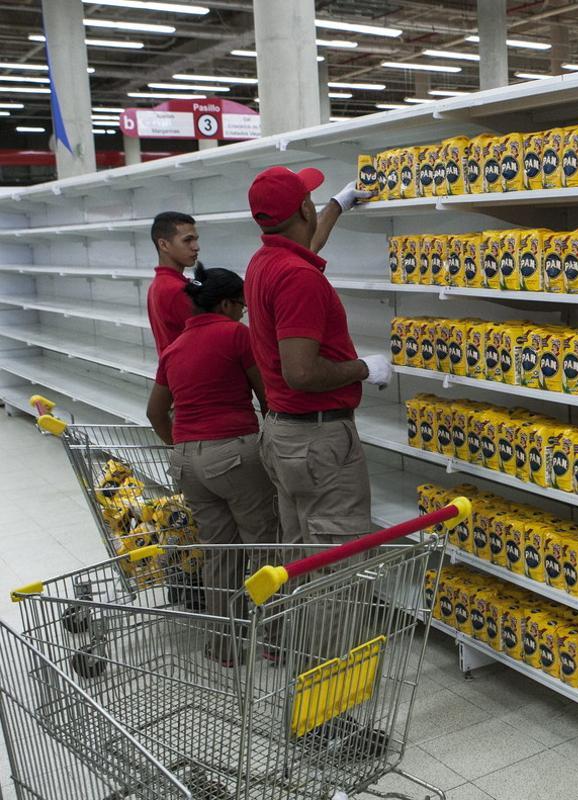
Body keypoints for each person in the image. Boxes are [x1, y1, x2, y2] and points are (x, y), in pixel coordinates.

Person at [243, 166, 388, 548]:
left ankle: (304, 611)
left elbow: (308, 245)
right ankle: (332, 612)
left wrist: (338, 206)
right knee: (336, 569)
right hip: (317, 441)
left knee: (302, 555)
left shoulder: (265, 261)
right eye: (310, 199)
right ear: (304, 210)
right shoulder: (298, 278)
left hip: (284, 434)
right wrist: (364, 369)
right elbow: (302, 372)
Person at [146, 265, 280, 665]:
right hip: (235, 454)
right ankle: (274, 640)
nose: (243, 313)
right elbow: (267, 397)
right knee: (266, 545)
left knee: (220, 553)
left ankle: (224, 647)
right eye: (241, 305)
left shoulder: (174, 347)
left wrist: (185, 446)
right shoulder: (237, 336)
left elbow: (155, 412)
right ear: (226, 303)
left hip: (187, 461)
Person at [147, 212, 201, 355]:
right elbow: (206, 339)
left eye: (195, 239)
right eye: (188, 240)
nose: (196, 247)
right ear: (163, 244)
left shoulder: (157, 284)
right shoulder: (177, 290)